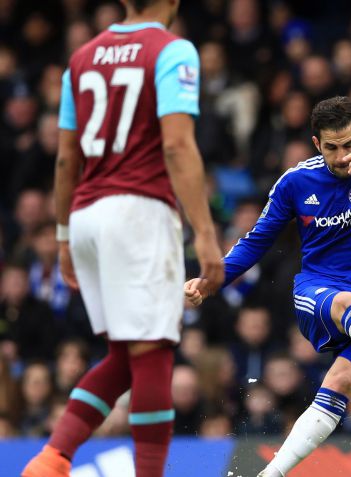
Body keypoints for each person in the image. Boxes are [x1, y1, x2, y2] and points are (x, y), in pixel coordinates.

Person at [185, 96, 351, 477]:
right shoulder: (295, 182)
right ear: (316, 144)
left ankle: (270, 475)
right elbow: (256, 241)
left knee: (339, 382)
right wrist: (212, 279)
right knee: (345, 302)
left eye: (349, 145)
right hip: (319, 290)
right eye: (331, 148)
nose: (342, 156)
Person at [22, 0, 224, 476]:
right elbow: (177, 145)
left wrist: (65, 236)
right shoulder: (172, 50)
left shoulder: (82, 57)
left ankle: (52, 459)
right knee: (153, 352)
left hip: (86, 214)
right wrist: (205, 233)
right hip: (137, 212)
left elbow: (66, 158)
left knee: (124, 354)